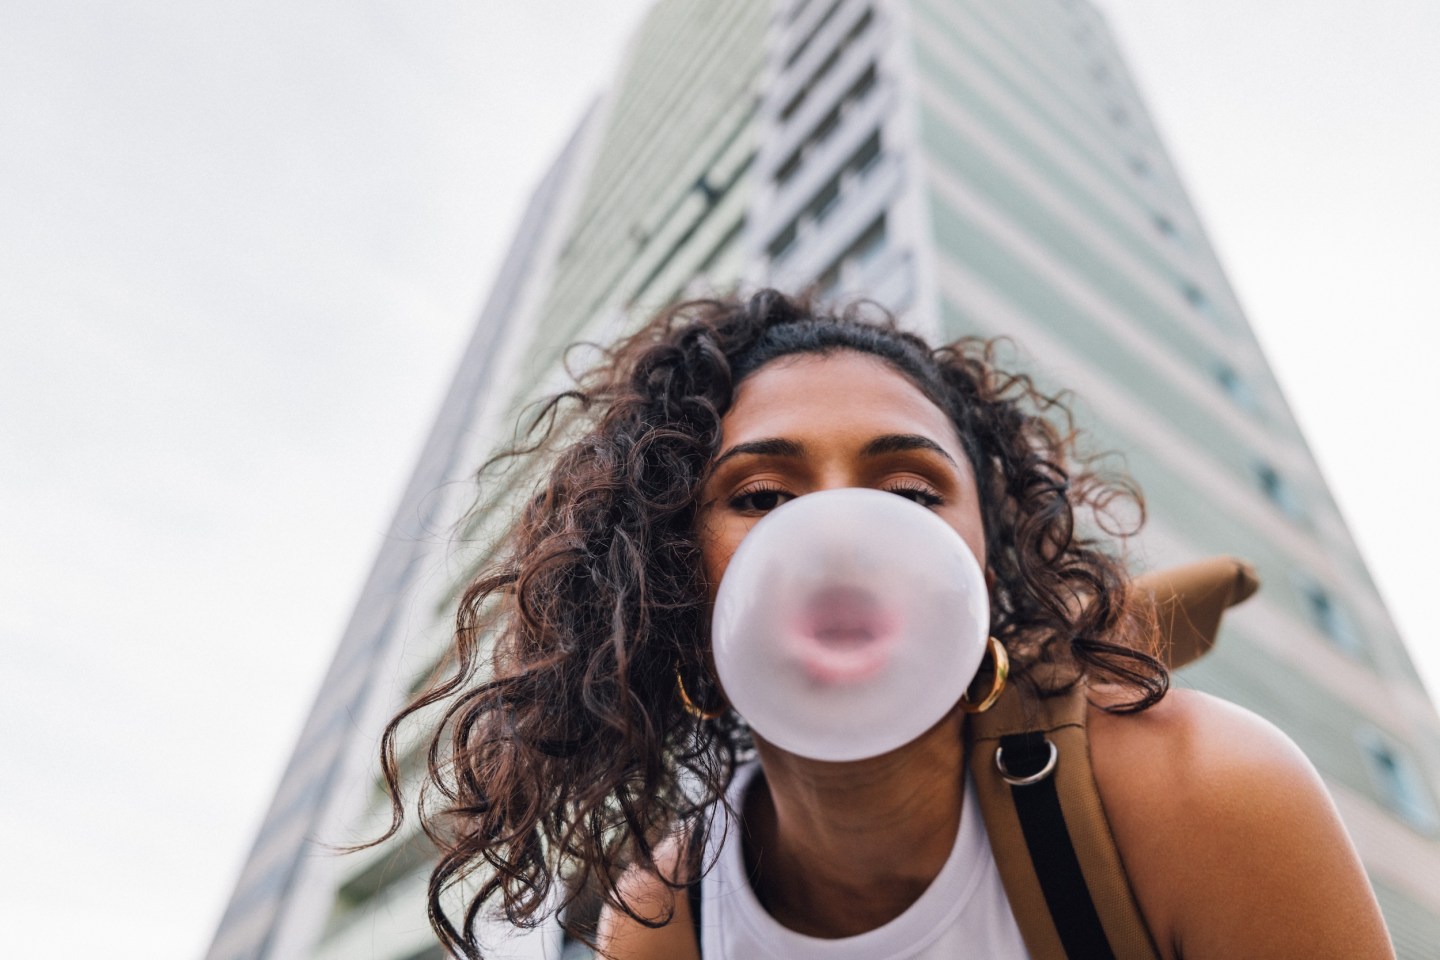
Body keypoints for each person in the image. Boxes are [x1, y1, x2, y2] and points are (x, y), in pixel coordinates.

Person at [376, 290, 1393, 959]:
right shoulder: (664, 924)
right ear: (672, 577)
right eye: (764, 497)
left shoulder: (1200, 796)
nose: (839, 536)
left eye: (909, 490)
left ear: (988, 559)